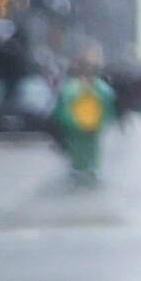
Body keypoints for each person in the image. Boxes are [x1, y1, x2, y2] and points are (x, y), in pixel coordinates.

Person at [50, 50, 115, 186]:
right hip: (79, 127)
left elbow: (108, 103)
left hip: (89, 125)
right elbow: (63, 107)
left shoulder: (97, 87)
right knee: (80, 148)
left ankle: (87, 168)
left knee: (89, 148)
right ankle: (82, 168)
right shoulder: (72, 87)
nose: (88, 70)